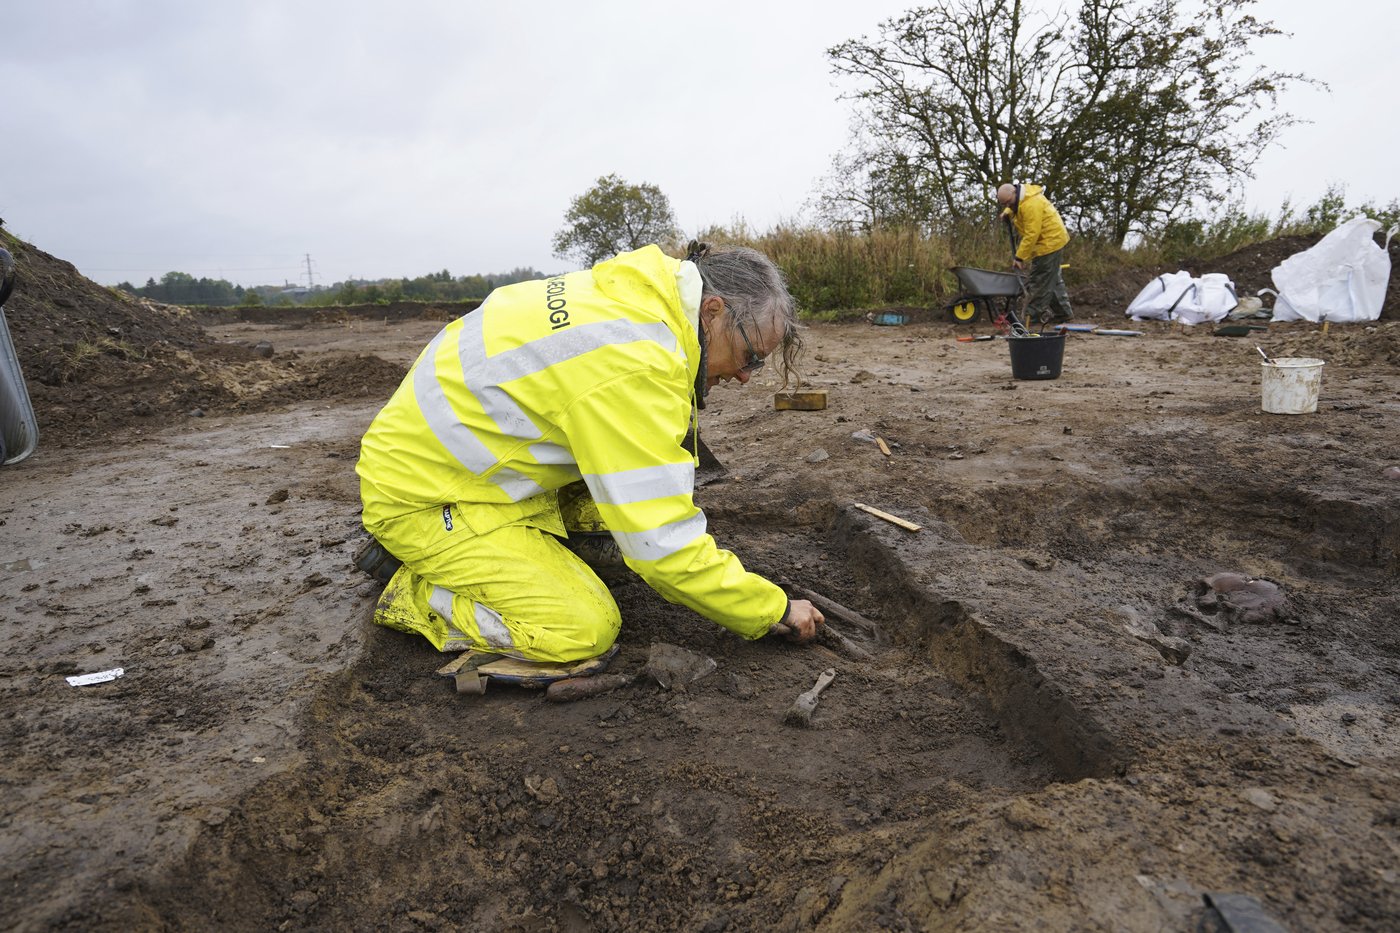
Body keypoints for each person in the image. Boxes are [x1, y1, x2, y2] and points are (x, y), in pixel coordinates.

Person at [355, 242, 825, 665]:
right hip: (427, 497)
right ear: (713, 311)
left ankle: (519, 550)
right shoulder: (634, 363)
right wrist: (773, 608)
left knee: (620, 527)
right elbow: (663, 548)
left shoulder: (639, 289)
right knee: (582, 629)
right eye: (751, 358)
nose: (746, 377)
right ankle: (414, 586)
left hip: (461, 459)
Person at [996, 182, 1073, 326]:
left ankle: (1031, 319)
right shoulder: (1021, 198)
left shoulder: (1031, 204)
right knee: (1052, 279)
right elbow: (1016, 207)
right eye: (1004, 204)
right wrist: (1008, 212)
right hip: (1049, 240)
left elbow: (1032, 234)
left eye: (1008, 202)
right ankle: (1063, 313)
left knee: (1039, 281)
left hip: (1049, 243)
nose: (1007, 205)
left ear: (1014, 193)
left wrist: (1019, 257)